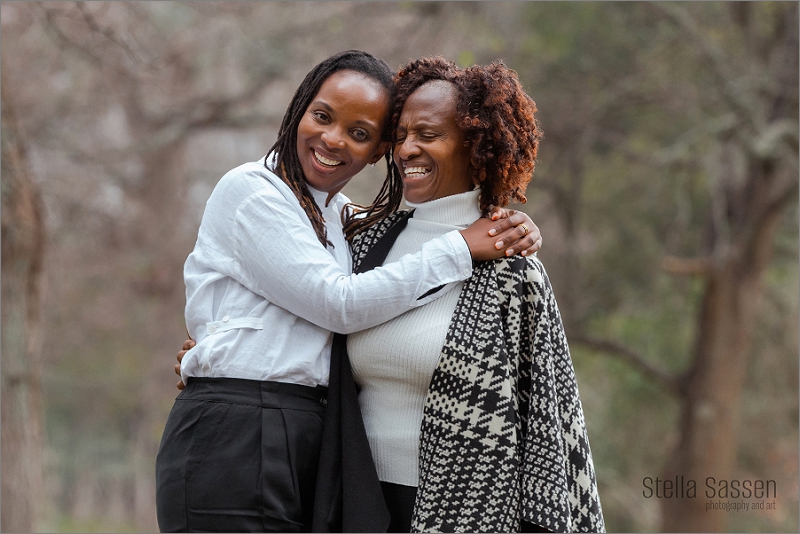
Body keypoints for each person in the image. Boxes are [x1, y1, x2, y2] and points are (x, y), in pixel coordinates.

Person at [156, 50, 541, 533]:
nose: (332, 139)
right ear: (300, 109)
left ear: (376, 150)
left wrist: (514, 226)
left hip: (314, 441)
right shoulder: (252, 190)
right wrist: (461, 247)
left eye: (359, 133)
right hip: (238, 432)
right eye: (321, 116)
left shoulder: (346, 224)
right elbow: (339, 303)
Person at [314, 56, 605, 533]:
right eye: (401, 135)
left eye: (428, 135)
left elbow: (550, 422)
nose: (408, 149)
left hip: (468, 510)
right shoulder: (359, 242)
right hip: (355, 502)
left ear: (476, 147)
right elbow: (308, 314)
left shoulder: (512, 267)